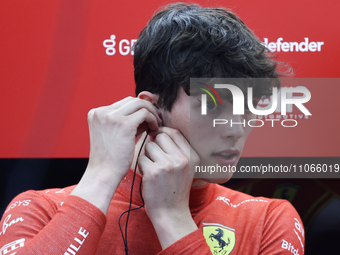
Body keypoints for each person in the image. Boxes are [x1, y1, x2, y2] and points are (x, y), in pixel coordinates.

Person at [0, 3, 304, 255]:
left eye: (248, 107)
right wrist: (101, 176)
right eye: (213, 105)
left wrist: (173, 218)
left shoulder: (269, 219)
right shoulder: (41, 209)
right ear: (152, 109)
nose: (236, 128)